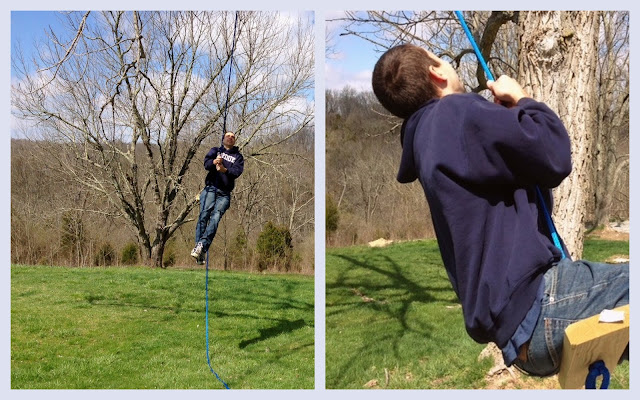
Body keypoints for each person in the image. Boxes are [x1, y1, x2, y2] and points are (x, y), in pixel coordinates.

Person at [371, 43, 628, 376]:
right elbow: (553, 154)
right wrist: (523, 100)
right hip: (541, 305)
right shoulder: (455, 113)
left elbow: (527, 177)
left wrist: (503, 124)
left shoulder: (426, 140)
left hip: (520, 338)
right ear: (436, 72)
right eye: (442, 60)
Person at [191, 131, 244, 264]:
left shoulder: (238, 156)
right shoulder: (215, 150)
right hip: (210, 189)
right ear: (223, 139)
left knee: (215, 219)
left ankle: (202, 246)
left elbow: (237, 172)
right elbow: (206, 164)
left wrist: (224, 170)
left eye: (233, 137)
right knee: (204, 216)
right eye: (228, 136)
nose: (230, 138)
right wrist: (214, 162)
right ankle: (199, 251)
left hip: (224, 193)